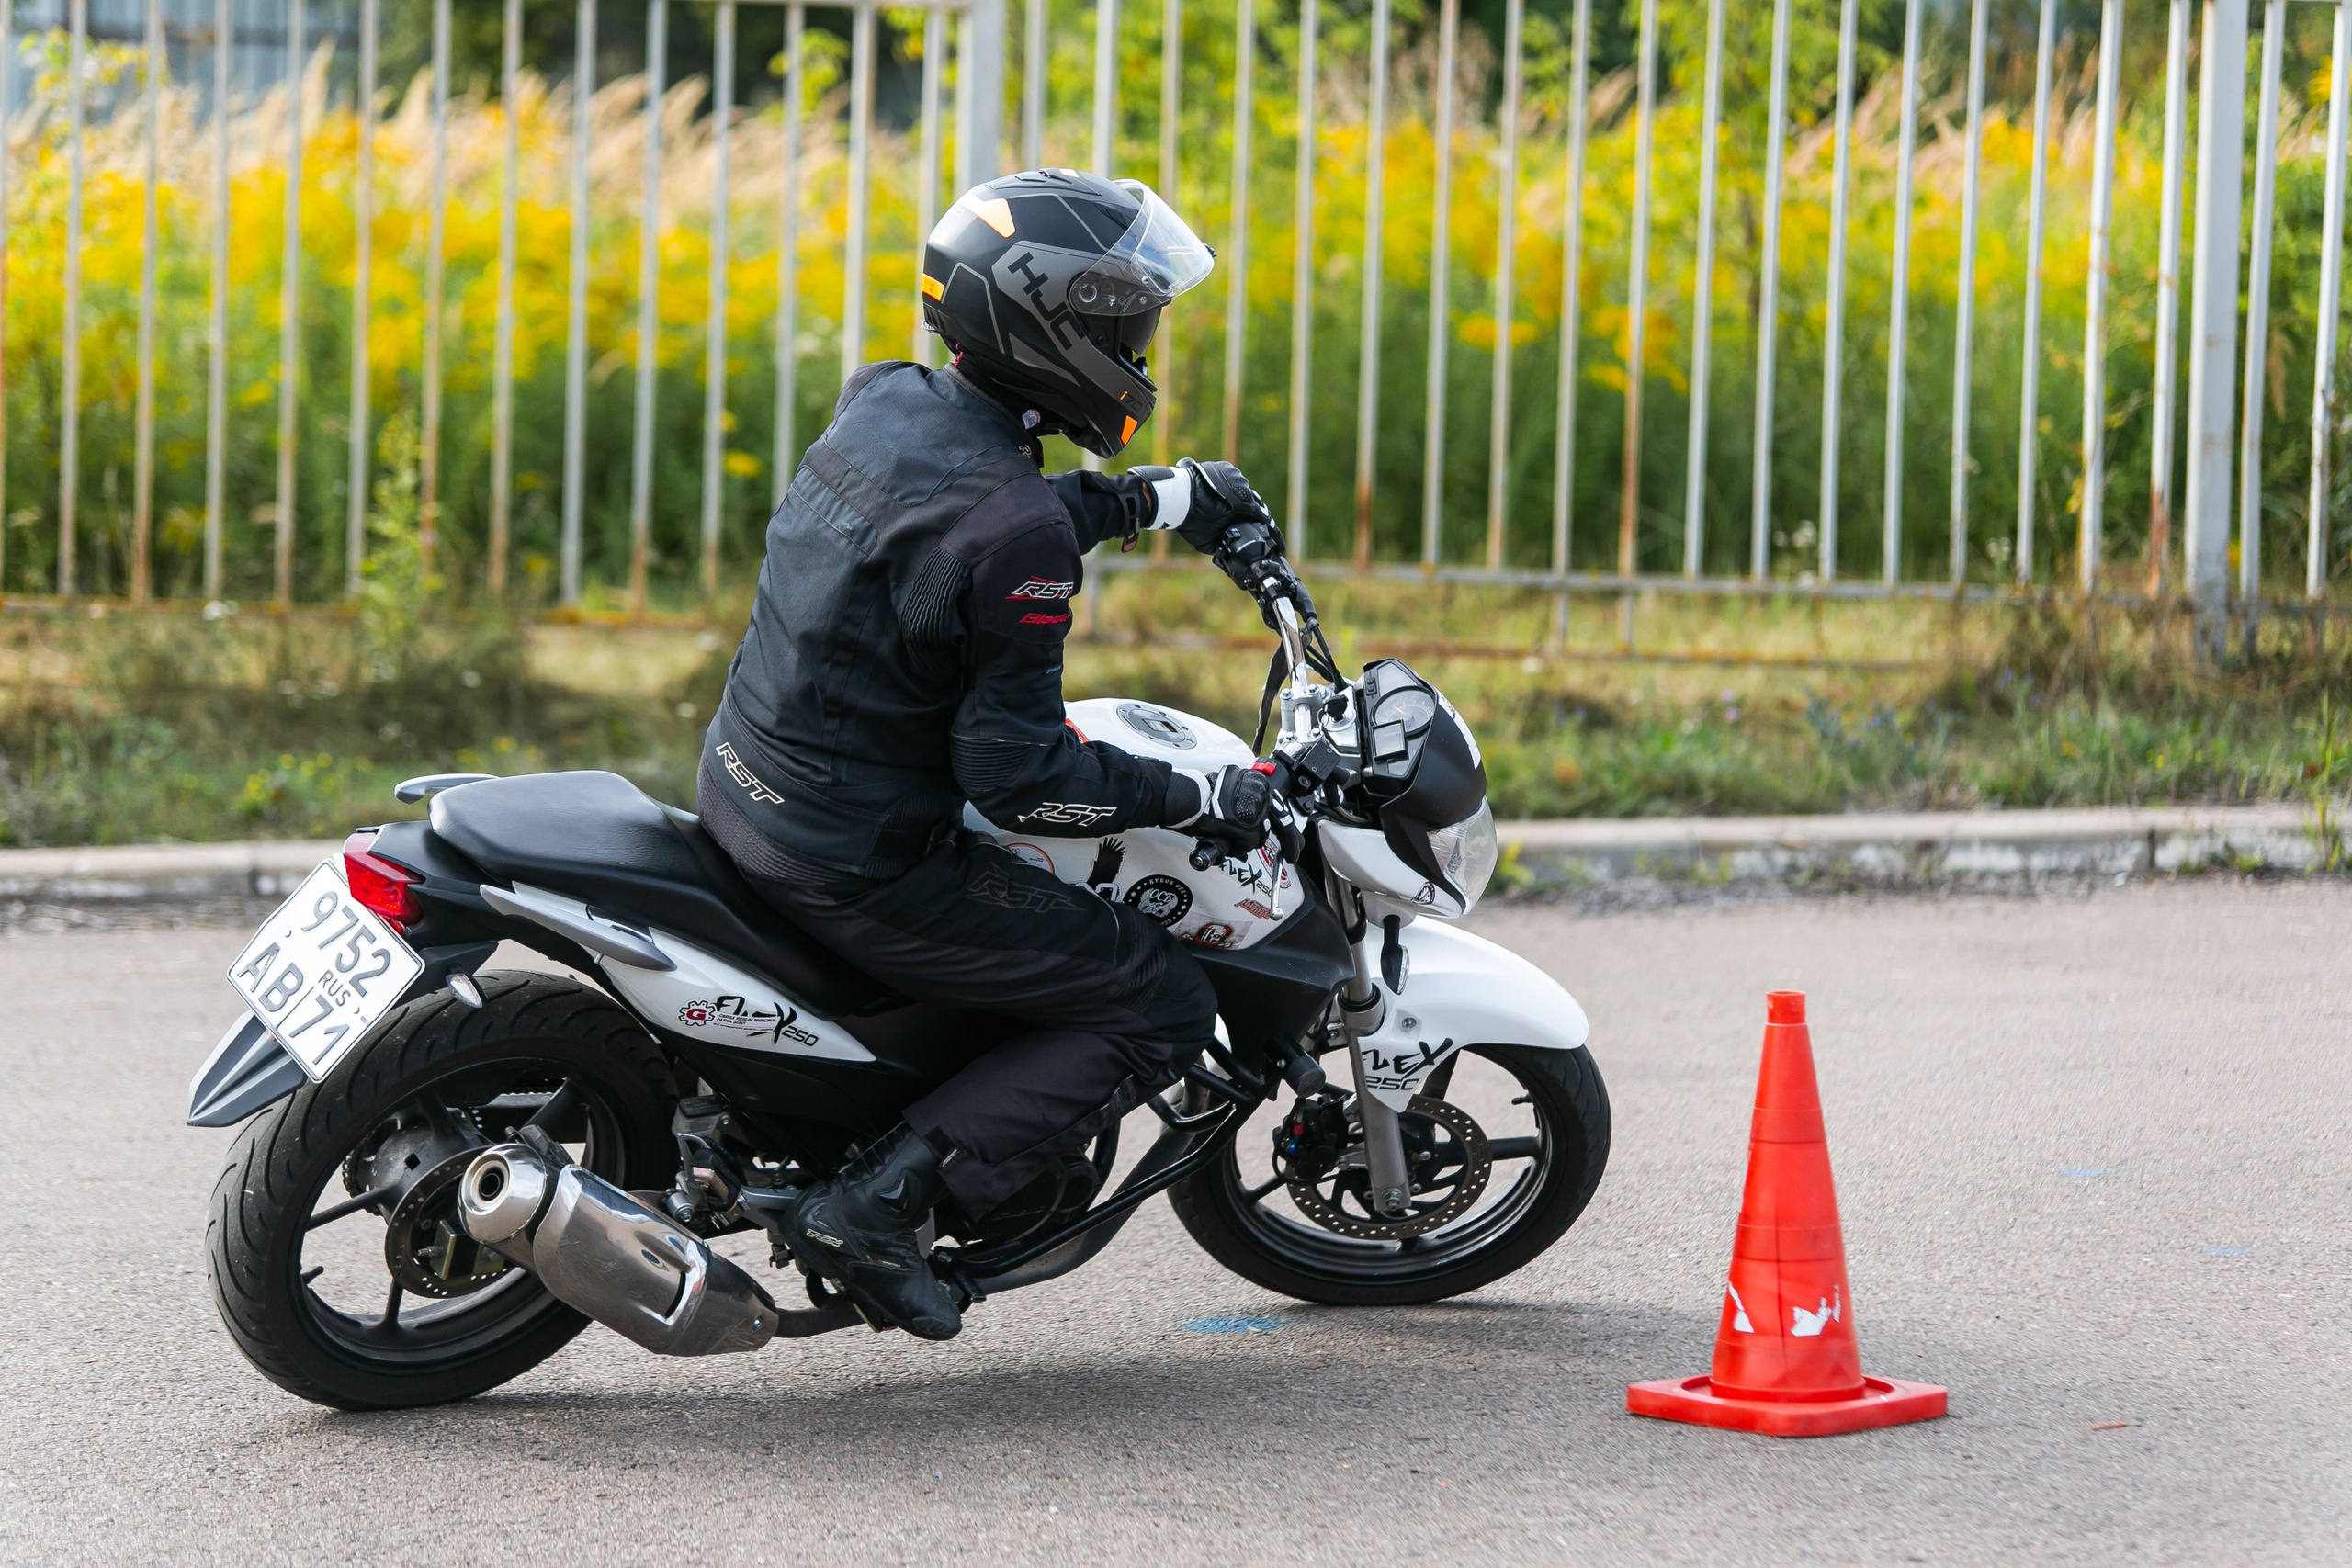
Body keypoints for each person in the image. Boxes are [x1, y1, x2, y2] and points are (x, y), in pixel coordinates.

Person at [695, 170, 1305, 1340]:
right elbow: (1022, 782)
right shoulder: (1014, 532)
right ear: (1052, 329)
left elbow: (953, 523)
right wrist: (1206, 792)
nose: (1142, 346)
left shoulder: (885, 402)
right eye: (1126, 325)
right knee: (1156, 999)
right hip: (859, 863)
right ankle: (875, 1211)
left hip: (747, 788)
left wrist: (1148, 502)